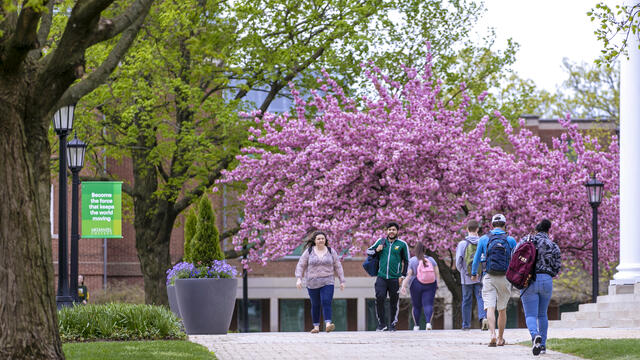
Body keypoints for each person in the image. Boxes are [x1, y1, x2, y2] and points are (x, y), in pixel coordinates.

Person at [470, 214, 517, 347]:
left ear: (492, 225)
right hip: (505, 277)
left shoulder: (484, 239)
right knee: (502, 309)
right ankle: (501, 338)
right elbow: (515, 260)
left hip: (488, 276)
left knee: (489, 306)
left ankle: (492, 335)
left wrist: (474, 273)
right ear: (504, 224)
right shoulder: (511, 240)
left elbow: (476, 258)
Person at [517, 219, 562, 356]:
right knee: (543, 314)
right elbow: (557, 266)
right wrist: (548, 274)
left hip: (529, 280)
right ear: (548, 231)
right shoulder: (553, 245)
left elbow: (516, 255)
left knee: (530, 314)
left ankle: (535, 335)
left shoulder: (527, 240)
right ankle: (542, 346)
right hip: (546, 280)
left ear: (536, 230)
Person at [295, 231, 345, 333]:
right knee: (315, 304)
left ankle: (328, 324)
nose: (321, 240)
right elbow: (301, 265)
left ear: (325, 240)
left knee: (326, 301)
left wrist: (342, 281)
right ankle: (316, 327)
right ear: (314, 240)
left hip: (328, 280)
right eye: (318, 239)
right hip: (312, 282)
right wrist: (299, 278)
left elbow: (338, 266)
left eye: (322, 238)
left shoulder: (331, 251)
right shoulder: (309, 252)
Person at [366, 221, 410, 331]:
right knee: (380, 298)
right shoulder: (381, 242)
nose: (391, 231)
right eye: (389, 229)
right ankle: (382, 324)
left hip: (395, 278)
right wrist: (377, 250)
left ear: (397, 231)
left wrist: (403, 276)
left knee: (394, 301)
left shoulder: (402, 244)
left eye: (393, 230)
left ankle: (392, 324)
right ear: (387, 231)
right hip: (381, 277)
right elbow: (368, 251)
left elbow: (406, 260)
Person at [455, 219, 488, 330]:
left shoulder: (462, 244)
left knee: (466, 300)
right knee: (481, 298)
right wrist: (481, 272)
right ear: (477, 229)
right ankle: (483, 318)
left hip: (466, 278)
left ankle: (466, 325)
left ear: (467, 229)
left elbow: (458, 262)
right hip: (480, 277)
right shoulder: (482, 241)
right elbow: (485, 259)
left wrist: (464, 273)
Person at [401, 242, 438, 331]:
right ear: (425, 250)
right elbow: (437, 273)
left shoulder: (412, 260)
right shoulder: (431, 260)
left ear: (415, 251)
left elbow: (409, 274)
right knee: (428, 304)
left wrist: (403, 285)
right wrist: (437, 284)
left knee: (416, 306)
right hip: (430, 284)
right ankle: (428, 323)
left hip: (415, 284)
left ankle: (416, 325)